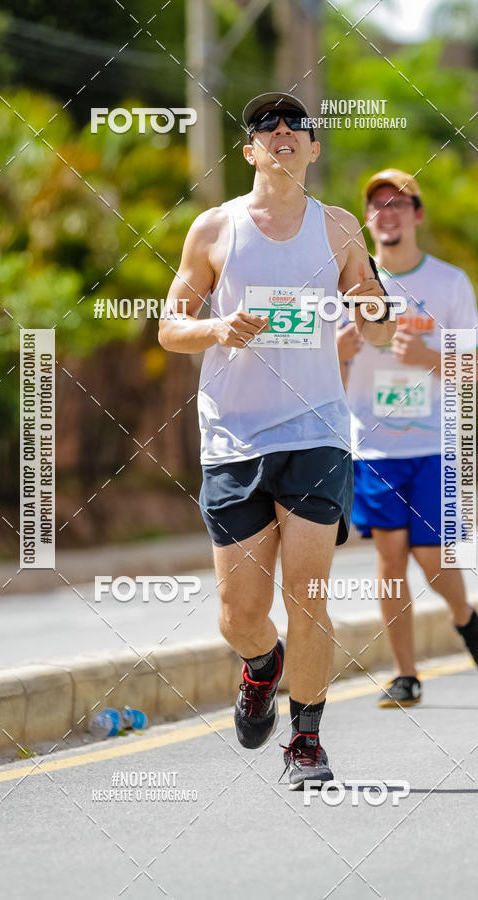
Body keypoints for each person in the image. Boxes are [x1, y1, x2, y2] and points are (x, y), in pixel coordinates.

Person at [159, 92, 395, 787]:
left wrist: (373, 308)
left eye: (298, 125)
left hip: (317, 430)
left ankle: (308, 743)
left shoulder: (341, 229)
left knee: (310, 593)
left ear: (314, 150)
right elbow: (171, 327)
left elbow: (376, 324)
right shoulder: (213, 229)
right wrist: (215, 329)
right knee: (241, 615)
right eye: (267, 124)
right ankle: (262, 665)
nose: (284, 131)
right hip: (234, 438)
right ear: (250, 150)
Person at [337, 168, 478, 708]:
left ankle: (466, 619)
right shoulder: (348, 287)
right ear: (367, 219)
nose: (387, 212)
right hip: (374, 448)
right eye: (377, 204)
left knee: (433, 558)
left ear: (417, 215)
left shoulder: (449, 283)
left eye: (399, 203)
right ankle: (405, 674)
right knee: (389, 560)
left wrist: (427, 358)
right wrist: (341, 350)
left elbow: (472, 369)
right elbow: (326, 375)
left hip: (435, 444)